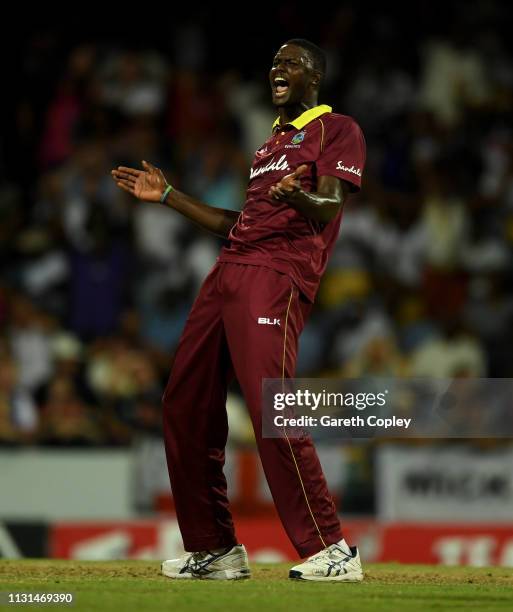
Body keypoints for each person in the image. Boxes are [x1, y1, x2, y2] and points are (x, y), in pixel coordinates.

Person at [112, 38, 366, 582]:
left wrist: (296, 196)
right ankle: (216, 548)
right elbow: (240, 224)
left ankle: (332, 548)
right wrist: (169, 197)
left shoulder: (336, 129)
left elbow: (327, 207)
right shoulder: (270, 144)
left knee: (272, 408)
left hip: (275, 276)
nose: (279, 68)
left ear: (315, 78)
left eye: (292, 63)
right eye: (275, 62)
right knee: (185, 403)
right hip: (229, 269)